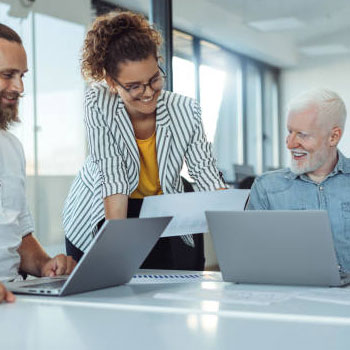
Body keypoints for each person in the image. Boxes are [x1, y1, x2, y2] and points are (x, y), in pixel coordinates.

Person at [63, 10, 225, 269]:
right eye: (135, 86)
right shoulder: (98, 102)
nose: (149, 93)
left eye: (154, 79)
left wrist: (235, 231)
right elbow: (112, 175)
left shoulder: (185, 109)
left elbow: (205, 174)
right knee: (110, 290)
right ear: (111, 82)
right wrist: (117, 253)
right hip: (104, 209)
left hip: (158, 209)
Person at [0, 24, 76, 297]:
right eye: (8, 75)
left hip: (15, 298)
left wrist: (45, 265)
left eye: (22, 76)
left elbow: (17, 236)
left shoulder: (11, 148)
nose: (18, 87)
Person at [247, 88, 350, 271]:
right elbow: (250, 256)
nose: (290, 144)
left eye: (302, 134)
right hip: (290, 294)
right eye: (290, 132)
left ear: (333, 137)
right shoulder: (266, 187)